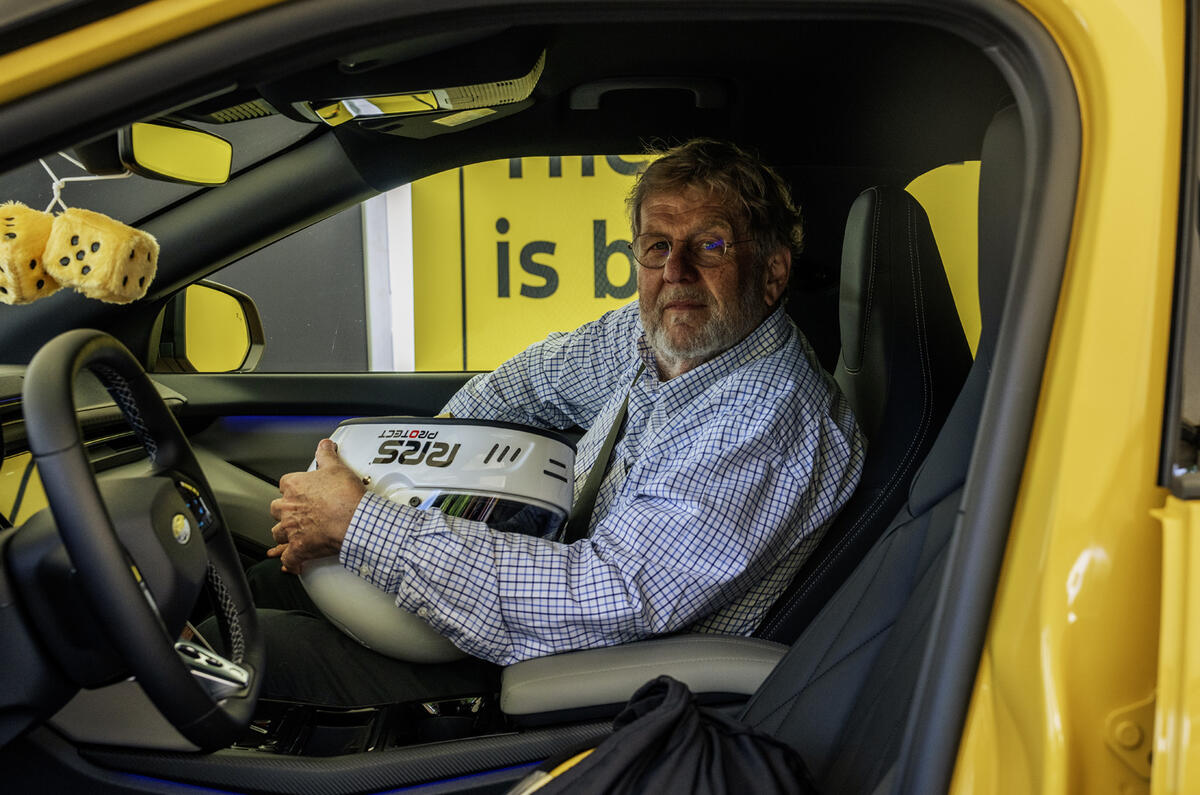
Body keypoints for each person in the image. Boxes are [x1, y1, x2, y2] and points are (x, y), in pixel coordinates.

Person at [250, 139, 866, 707]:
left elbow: (605, 595)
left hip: (569, 679)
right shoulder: (658, 339)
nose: (675, 271)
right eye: (656, 246)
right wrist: (413, 471)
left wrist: (358, 523)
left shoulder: (764, 418)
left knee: (252, 649)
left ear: (772, 272)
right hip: (529, 600)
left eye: (710, 245)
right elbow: (527, 383)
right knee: (257, 586)